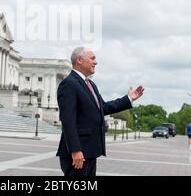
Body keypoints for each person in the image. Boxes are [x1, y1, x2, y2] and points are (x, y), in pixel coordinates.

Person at [56, 47, 145, 176]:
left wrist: (129, 99)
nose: (95, 62)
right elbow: (68, 121)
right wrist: (75, 150)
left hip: (90, 151)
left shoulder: (90, 84)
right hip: (78, 153)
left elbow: (103, 108)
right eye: (92, 58)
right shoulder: (69, 84)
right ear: (79, 60)